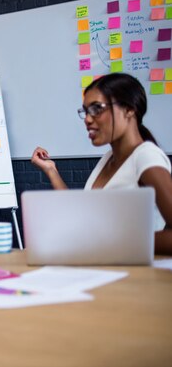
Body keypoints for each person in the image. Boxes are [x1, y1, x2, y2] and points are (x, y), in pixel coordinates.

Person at [31, 73, 172, 255]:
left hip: (133, 277)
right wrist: (51, 171)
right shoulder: (107, 158)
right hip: (104, 269)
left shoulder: (146, 157)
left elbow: (105, 239)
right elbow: (81, 215)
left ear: (129, 109)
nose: (87, 119)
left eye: (97, 109)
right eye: (86, 111)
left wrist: (111, 241)